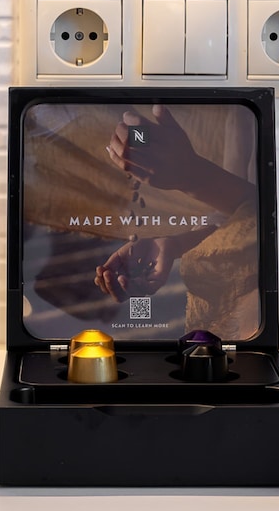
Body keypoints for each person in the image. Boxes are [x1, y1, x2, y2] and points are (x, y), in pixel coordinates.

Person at [93, 104, 260, 338]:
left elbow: (270, 221)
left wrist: (192, 175)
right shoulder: (242, 116)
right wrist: (174, 244)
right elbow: (239, 217)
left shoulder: (266, 113)